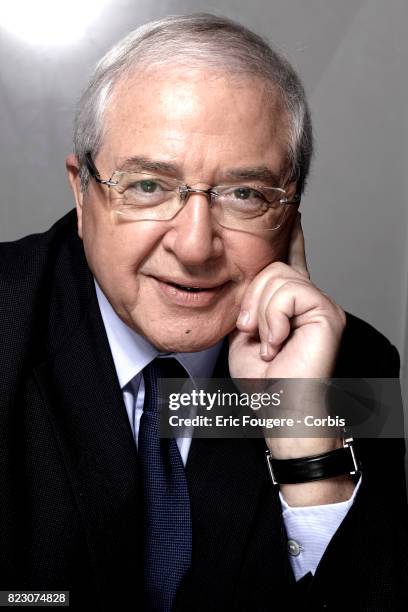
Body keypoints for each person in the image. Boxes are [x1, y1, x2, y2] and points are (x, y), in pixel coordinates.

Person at [0, 13, 406, 612]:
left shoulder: (355, 365)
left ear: (290, 215)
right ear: (82, 194)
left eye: (244, 195)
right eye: (147, 186)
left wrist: (297, 424)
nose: (193, 247)